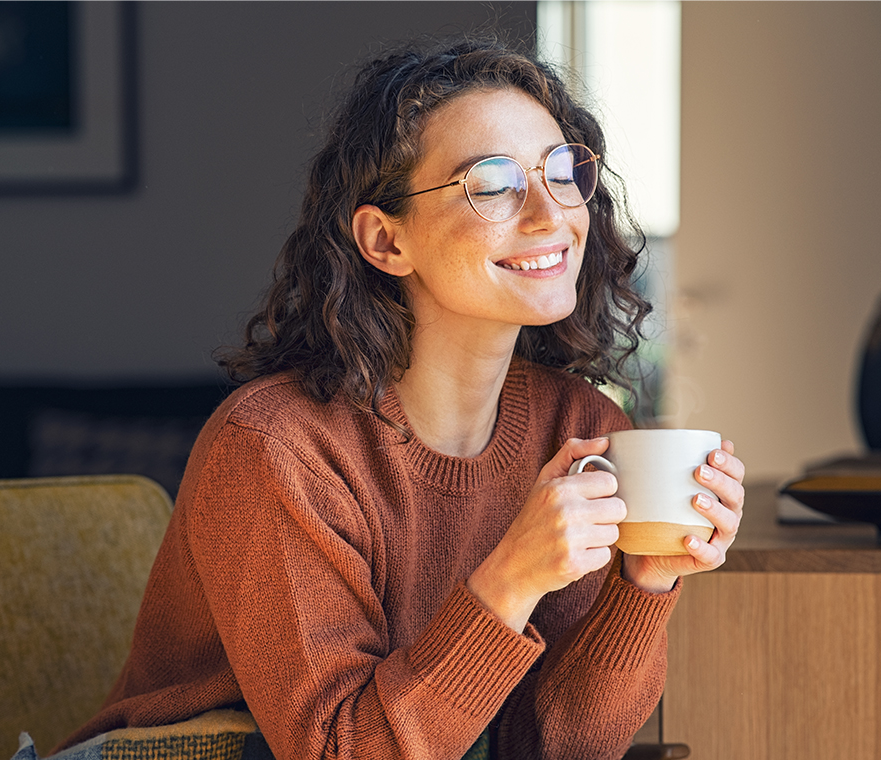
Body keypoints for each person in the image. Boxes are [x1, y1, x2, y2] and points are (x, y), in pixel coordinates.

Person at [52, 36, 745, 760]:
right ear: (385, 242)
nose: (550, 214)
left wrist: (647, 578)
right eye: (493, 183)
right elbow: (339, 752)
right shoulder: (274, 449)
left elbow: (552, 747)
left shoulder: (578, 427)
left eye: (562, 171)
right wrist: (510, 578)